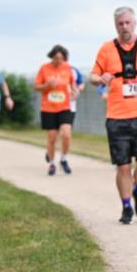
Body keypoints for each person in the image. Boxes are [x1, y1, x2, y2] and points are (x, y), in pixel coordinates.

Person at [90, 7, 137, 224]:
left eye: (127, 22)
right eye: (120, 23)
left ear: (135, 22)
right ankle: (126, 207)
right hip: (117, 116)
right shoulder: (106, 49)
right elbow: (93, 76)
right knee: (123, 166)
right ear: (116, 25)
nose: (124, 27)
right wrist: (100, 79)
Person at [34, 45, 77, 175]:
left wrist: (75, 91)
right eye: (56, 58)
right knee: (52, 137)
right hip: (48, 108)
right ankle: (52, 163)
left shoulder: (68, 68)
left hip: (64, 107)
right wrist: (47, 85)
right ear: (52, 57)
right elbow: (36, 87)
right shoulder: (44, 68)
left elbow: (72, 84)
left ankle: (63, 159)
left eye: (61, 58)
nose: (59, 61)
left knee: (66, 134)